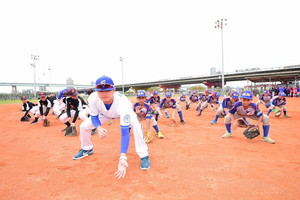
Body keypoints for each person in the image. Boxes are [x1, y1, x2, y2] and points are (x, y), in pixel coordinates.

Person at [72, 76, 150, 179]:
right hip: (104, 115)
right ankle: (87, 149)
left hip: (123, 113)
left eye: (108, 90)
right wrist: (99, 128)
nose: (104, 94)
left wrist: (123, 157)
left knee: (136, 126)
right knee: (84, 126)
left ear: (113, 90)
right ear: (96, 91)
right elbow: (94, 116)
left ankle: (144, 155)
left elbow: (125, 132)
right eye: (100, 91)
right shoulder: (93, 98)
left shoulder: (123, 103)